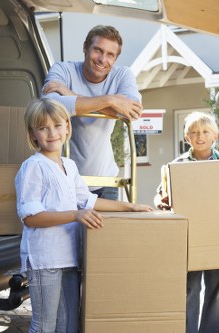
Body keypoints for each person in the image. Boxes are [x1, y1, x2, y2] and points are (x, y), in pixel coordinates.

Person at [15, 98, 152, 333]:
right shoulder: (33, 167)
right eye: (43, 127)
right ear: (33, 133)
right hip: (44, 260)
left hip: (70, 258)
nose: (52, 133)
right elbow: (31, 217)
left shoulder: (69, 165)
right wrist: (75, 215)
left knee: (68, 326)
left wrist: (129, 207)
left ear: (68, 127)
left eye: (57, 125)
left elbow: (89, 201)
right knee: (44, 327)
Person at [42, 25, 143, 200]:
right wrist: (111, 101)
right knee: (69, 228)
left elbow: (132, 112)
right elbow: (49, 106)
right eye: (98, 50)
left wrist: (71, 95)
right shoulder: (63, 70)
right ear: (85, 48)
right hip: (66, 178)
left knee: (106, 229)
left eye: (110, 55)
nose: (103, 59)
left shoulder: (122, 75)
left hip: (106, 181)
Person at [154, 111, 219, 333]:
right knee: (189, 287)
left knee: (218, 289)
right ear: (186, 138)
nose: (200, 136)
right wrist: (163, 201)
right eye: (194, 132)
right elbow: (160, 195)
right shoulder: (176, 166)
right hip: (188, 237)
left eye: (205, 132)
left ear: (214, 136)